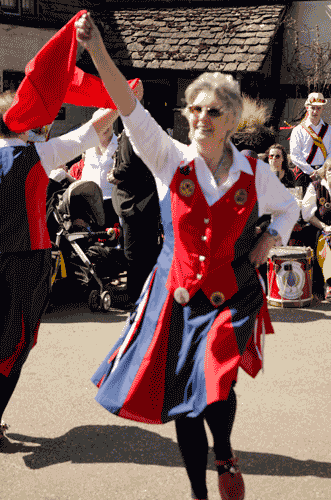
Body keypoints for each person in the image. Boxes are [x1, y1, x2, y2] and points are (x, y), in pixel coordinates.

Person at [76, 13, 298, 500]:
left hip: (231, 291)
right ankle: (201, 490)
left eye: (213, 111)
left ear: (232, 120)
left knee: (215, 375)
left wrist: (265, 244)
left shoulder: (255, 174)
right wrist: (97, 52)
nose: (200, 118)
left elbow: (289, 207)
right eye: (194, 110)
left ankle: (224, 452)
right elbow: (129, 107)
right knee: (186, 399)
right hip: (175, 294)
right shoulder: (168, 157)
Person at [0, 90, 118, 450]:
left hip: (16, 258)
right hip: (24, 260)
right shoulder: (35, 154)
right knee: (14, 345)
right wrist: (121, 95)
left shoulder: (34, 151)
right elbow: (92, 129)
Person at [109, 128, 163, 306]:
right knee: (147, 252)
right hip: (149, 201)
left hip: (134, 203)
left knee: (133, 253)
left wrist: (114, 174)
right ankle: (148, 295)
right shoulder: (149, 132)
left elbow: (128, 166)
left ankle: (133, 296)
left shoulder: (129, 134)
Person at [80, 108, 120, 228]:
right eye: (101, 123)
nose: (105, 126)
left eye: (108, 121)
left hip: (112, 203)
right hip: (89, 203)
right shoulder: (87, 145)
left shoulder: (120, 144)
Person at [290, 92, 331, 196]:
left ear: (322, 109)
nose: (315, 111)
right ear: (307, 108)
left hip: (325, 174)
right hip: (304, 174)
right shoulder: (298, 130)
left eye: (318, 108)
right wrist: (311, 171)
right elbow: (295, 155)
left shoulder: (329, 130)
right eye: (312, 108)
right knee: (302, 205)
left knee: (325, 207)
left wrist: (322, 170)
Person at [302, 158, 331, 301]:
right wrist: (325, 226)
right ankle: (329, 283)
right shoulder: (316, 187)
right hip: (321, 228)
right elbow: (307, 215)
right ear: (325, 173)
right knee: (326, 239)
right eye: (330, 169)